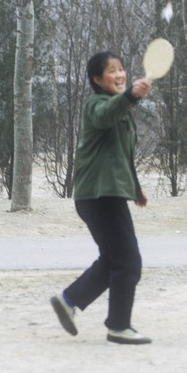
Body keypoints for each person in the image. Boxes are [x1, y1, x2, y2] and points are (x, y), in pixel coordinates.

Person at [50, 50, 153, 345]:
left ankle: (69, 300)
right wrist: (131, 95)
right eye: (112, 71)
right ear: (97, 79)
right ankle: (118, 326)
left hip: (102, 195)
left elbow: (119, 155)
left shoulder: (119, 109)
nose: (120, 74)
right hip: (99, 196)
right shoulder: (97, 105)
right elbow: (106, 116)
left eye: (122, 69)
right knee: (129, 261)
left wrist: (134, 187)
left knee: (114, 259)